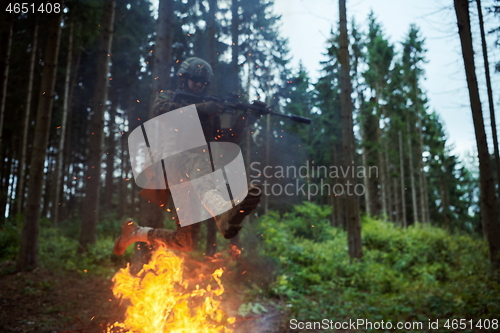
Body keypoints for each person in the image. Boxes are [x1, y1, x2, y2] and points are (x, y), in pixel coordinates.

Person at [114, 57, 261, 255]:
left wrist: (246, 119)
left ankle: (135, 233)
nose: (199, 85)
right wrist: (201, 109)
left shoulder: (210, 109)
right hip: (168, 164)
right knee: (198, 159)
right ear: (184, 79)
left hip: (193, 177)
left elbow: (226, 142)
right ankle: (222, 211)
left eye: (203, 82)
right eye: (195, 80)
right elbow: (159, 110)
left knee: (186, 241)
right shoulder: (169, 96)